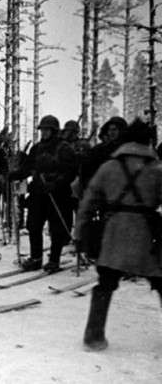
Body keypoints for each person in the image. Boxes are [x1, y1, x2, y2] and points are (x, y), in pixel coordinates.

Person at [75, 119, 162, 351]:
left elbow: (88, 201)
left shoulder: (110, 167)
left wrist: (79, 231)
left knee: (105, 283)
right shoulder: (157, 169)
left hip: (114, 234)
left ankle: (93, 337)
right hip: (147, 236)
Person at [8, 115, 77, 273]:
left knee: (57, 228)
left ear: (54, 131)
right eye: (43, 129)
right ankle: (36, 258)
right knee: (33, 225)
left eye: (48, 130)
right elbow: (27, 167)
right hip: (39, 193)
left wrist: (55, 184)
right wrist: (15, 175)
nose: (44, 132)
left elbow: (71, 172)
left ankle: (54, 260)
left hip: (58, 194)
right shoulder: (37, 148)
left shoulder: (64, 148)